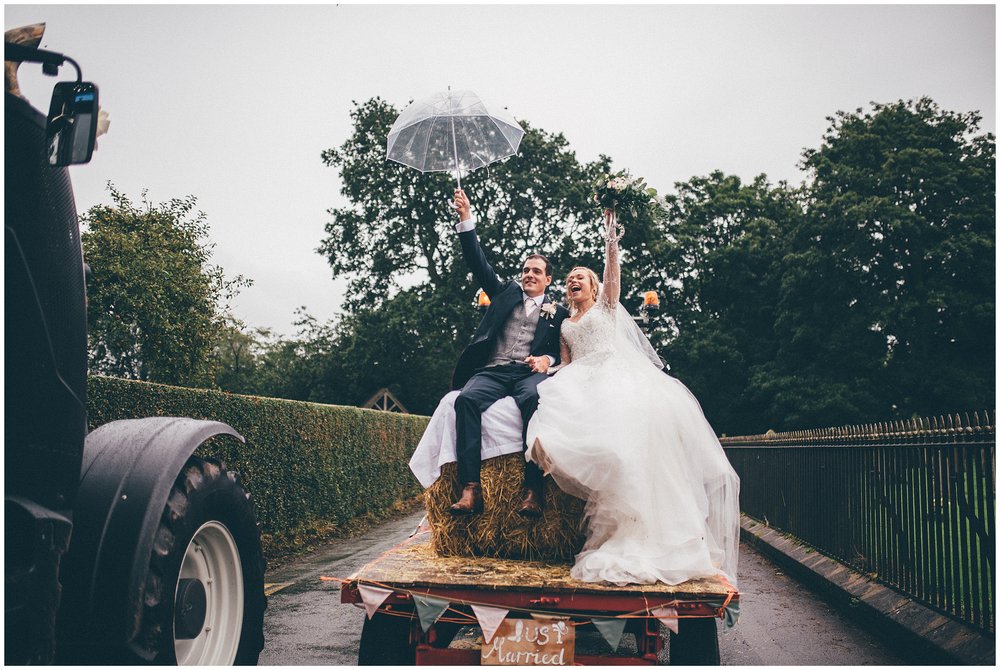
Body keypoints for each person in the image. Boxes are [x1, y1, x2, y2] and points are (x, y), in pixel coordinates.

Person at [525, 210, 740, 587]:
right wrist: (546, 366)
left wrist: (611, 235)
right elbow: (566, 363)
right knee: (551, 401)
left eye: (581, 277)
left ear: (593, 287)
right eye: (571, 278)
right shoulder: (563, 323)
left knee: (623, 446)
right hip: (579, 376)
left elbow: (612, 273)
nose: (575, 280)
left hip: (613, 375)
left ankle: (641, 528)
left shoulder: (607, 307)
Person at [446, 189, 569, 518]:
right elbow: (477, 261)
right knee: (466, 400)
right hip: (494, 370)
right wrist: (465, 217)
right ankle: (470, 489)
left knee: (534, 401)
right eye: (526, 269)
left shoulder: (558, 312)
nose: (529, 274)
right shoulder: (504, 292)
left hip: (528, 376)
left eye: (536, 272)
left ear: (548, 279)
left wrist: (548, 361)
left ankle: (533, 491)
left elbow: (564, 352)